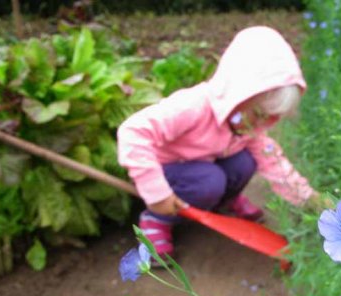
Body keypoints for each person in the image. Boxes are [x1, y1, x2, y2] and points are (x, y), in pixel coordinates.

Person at [117, 26, 328, 258]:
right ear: (236, 93)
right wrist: (156, 192)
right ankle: (157, 220)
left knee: (246, 162)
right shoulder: (192, 107)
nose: (262, 124)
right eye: (258, 113)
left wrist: (309, 198)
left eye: (270, 117)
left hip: (203, 166)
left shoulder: (248, 125)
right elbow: (132, 132)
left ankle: (222, 201)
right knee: (209, 180)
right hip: (166, 170)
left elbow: (274, 163)